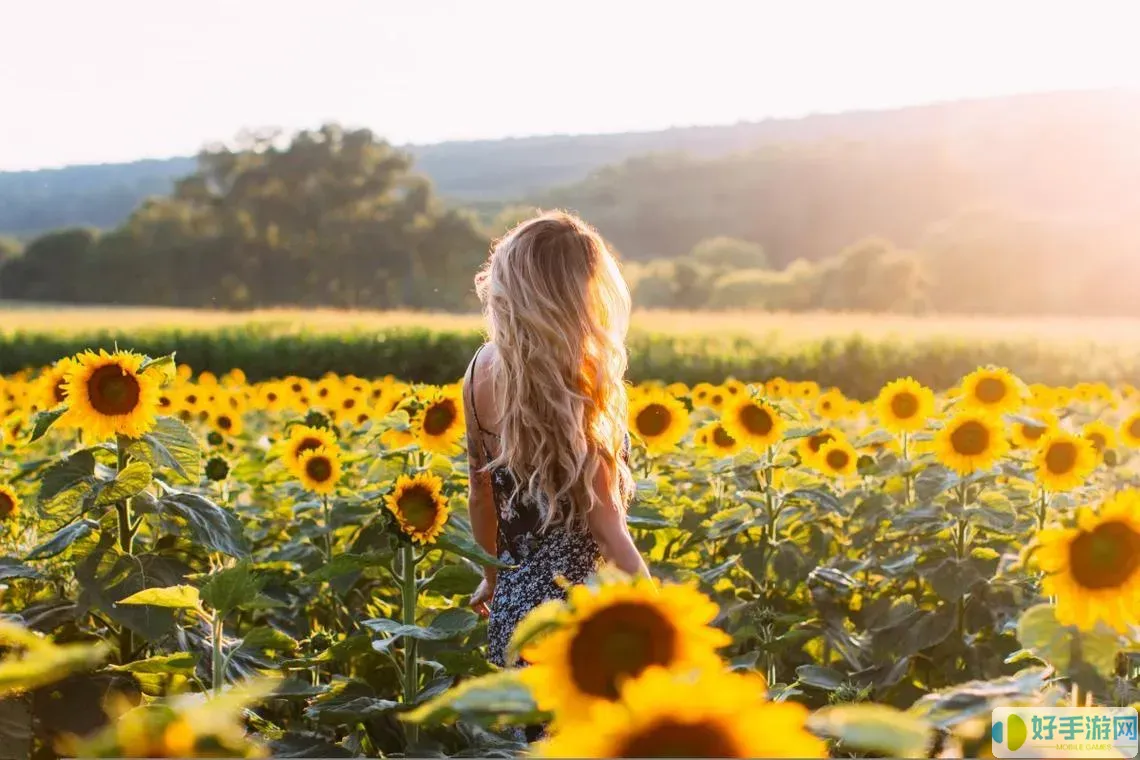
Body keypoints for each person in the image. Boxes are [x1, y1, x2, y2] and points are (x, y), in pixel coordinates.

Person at [463, 211, 650, 678]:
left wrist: (492, 578)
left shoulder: (477, 371)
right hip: (578, 615)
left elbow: (480, 494)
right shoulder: (579, 385)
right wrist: (659, 621)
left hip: (513, 617)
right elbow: (609, 529)